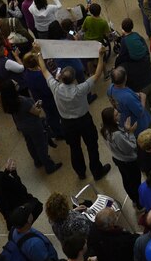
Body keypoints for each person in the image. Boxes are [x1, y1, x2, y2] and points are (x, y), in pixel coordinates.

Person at [40, 44, 111, 181]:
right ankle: (97, 171)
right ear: (74, 79)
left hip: (67, 123)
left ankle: (80, 172)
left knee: (74, 148)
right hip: (84, 120)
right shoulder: (81, 89)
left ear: (61, 78)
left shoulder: (56, 88)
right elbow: (97, 74)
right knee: (91, 146)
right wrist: (101, 56)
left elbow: (44, 71)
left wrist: (39, 54)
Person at [0, 80, 62, 174]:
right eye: (15, 84)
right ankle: (49, 166)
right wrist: (39, 105)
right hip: (33, 125)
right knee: (41, 145)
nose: (17, 83)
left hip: (22, 125)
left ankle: (37, 161)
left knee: (30, 144)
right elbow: (37, 112)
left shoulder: (7, 101)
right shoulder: (22, 101)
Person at [0, 152, 44, 229]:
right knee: (38, 205)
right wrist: (14, 172)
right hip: (16, 207)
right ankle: (27, 226)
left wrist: (6, 171)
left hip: (7, 212)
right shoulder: (3, 178)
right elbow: (21, 189)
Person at [99, 107, 142, 208]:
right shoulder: (116, 135)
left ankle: (134, 199)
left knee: (126, 179)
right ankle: (140, 203)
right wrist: (130, 132)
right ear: (111, 119)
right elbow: (130, 147)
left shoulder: (104, 129)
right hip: (128, 161)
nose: (119, 115)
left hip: (118, 158)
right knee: (135, 182)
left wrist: (125, 130)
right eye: (116, 115)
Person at [106, 67, 151, 133]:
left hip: (124, 119)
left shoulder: (110, 89)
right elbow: (140, 112)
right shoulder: (127, 97)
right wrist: (143, 99)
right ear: (126, 78)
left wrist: (133, 94)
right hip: (137, 125)